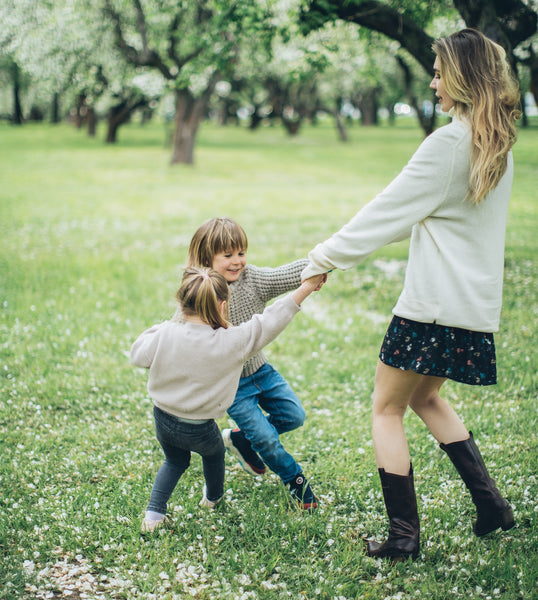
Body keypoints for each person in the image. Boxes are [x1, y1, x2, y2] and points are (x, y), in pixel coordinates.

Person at [301, 28, 520, 560]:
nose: (433, 81)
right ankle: (492, 507)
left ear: (464, 78)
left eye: (441, 71)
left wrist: (320, 259)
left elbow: (384, 211)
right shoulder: (495, 142)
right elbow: (417, 213)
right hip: (470, 310)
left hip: (429, 309)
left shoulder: (448, 144)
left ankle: (403, 539)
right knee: (424, 397)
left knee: (386, 410)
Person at [130, 267, 324, 532]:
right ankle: (213, 498)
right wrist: (305, 288)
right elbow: (271, 320)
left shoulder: (165, 334)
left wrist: (167, 325)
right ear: (222, 306)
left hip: (163, 420)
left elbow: (138, 355)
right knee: (214, 455)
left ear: (181, 303)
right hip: (200, 427)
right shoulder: (232, 342)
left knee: (174, 461)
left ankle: (153, 516)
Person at [186, 217, 323, 509]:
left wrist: (322, 263)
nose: (237, 262)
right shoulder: (201, 290)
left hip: (261, 371)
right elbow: (184, 333)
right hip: (232, 384)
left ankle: (241, 440)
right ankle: (297, 482)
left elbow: (286, 274)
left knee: (294, 416)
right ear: (206, 258)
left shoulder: (253, 280)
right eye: (228, 255)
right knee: (267, 440)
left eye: (241, 253)